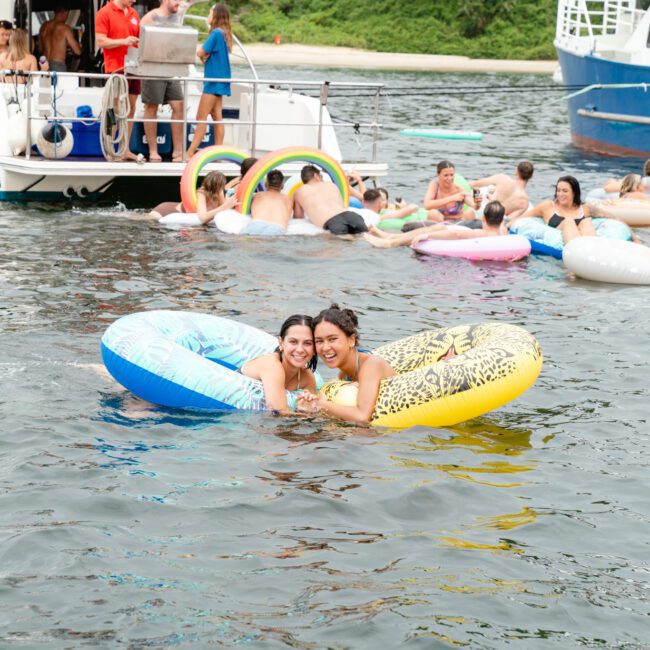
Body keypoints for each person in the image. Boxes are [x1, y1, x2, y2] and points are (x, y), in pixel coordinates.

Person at [296, 304, 395, 424]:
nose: (325, 347)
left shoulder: (371, 365)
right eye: (319, 341)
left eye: (332, 339)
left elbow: (362, 416)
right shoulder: (343, 374)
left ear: (351, 340)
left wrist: (320, 404)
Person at [240, 314, 318, 413]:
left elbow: (312, 411)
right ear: (281, 343)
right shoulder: (271, 365)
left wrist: (308, 409)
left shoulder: (307, 377)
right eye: (293, 342)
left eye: (308, 343)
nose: (300, 350)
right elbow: (277, 413)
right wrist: (304, 415)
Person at [95, 0, 141, 161]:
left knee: (131, 107)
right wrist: (123, 41)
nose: (134, 1)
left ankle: (125, 149)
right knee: (113, 109)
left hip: (133, 68)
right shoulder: (104, 13)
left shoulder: (134, 13)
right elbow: (101, 41)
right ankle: (110, 148)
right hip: (115, 69)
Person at [140, 0, 184, 162]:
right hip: (153, 68)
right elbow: (140, 42)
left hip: (172, 69)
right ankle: (153, 151)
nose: (179, 2)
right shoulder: (150, 17)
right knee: (152, 107)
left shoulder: (178, 17)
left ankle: (178, 151)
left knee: (178, 105)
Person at [186, 3, 232, 158]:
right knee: (217, 116)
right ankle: (218, 152)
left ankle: (190, 152)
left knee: (201, 116)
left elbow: (201, 51)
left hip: (213, 81)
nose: (208, 15)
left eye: (210, 12)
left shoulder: (216, 34)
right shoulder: (224, 33)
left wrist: (201, 56)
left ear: (216, 15)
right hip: (221, 79)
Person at [363, 200, 508, 249]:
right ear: (501, 220)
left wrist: (427, 235)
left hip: (452, 231)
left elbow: (457, 234)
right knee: (440, 226)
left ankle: (390, 243)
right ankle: (388, 236)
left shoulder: (480, 233)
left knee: (437, 228)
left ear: (483, 217)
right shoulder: (503, 233)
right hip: (455, 227)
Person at [512, 175, 596, 244]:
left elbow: (606, 213)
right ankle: (576, 251)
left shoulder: (584, 208)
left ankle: (593, 250)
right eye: (558, 190)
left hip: (582, 239)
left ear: (574, 192)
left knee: (586, 222)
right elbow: (522, 218)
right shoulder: (548, 206)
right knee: (568, 221)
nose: (560, 194)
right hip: (559, 238)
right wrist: (505, 225)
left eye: (565, 191)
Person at [293, 164, 368, 234]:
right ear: (316, 176)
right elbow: (343, 206)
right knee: (365, 236)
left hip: (332, 222)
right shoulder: (331, 185)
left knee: (345, 242)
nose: (322, 179)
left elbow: (298, 217)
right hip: (352, 216)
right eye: (321, 176)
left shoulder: (299, 191)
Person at [148, 170, 237, 222]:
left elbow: (225, 209)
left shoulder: (219, 191)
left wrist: (227, 204)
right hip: (166, 210)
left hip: (173, 207)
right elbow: (203, 217)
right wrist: (225, 206)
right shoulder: (201, 193)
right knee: (143, 218)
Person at [241, 169, 293, 236]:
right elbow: (288, 216)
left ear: (265, 184)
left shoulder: (257, 196)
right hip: (276, 228)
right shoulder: (288, 199)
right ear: (282, 186)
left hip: (255, 225)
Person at [38, 7, 81, 72]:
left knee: (45, 82)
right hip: (58, 65)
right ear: (66, 13)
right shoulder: (65, 28)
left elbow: (40, 49)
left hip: (44, 64)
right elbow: (77, 52)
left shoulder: (44, 26)